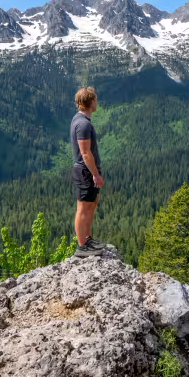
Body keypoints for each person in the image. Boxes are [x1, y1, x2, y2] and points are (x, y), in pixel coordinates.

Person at [70, 87, 108, 258]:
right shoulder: (84, 124)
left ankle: (87, 239)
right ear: (91, 102)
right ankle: (82, 246)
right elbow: (85, 153)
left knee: (91, 204)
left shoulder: (79, 119)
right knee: (83, 208)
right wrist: (95, 174)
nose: (97, 102)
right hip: (85, 172)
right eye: (95, 99)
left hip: (86, 171)